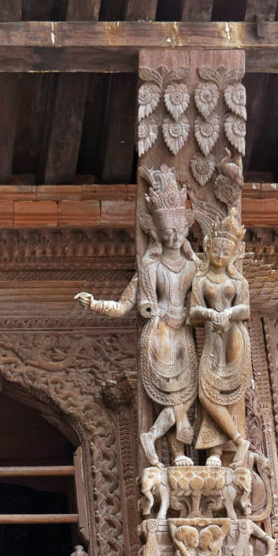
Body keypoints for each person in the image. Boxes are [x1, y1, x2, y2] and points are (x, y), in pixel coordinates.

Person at [76, 165, 197, 467]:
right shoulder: (150, 269)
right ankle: (175, 450)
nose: (172, 236)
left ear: (185, 230)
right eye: (167, 231)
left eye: (178, 231)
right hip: (160, 334)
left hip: (184, 334)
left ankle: (162, 441)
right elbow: (122, 306)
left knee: (186, 395)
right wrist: (94, 304)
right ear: (156, 232)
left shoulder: (194, 267)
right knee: (172, 396)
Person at [190, 207, 251, 467]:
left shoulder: (239, 282)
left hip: (234, 337)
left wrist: (229, 312)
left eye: (226, 252)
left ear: (235, 254)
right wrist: (206, 312)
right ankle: (236, 442)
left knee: (232, 394)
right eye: (215, 250)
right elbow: (192, 314)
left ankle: (219, 452)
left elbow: (246, 309)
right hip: (213, 340)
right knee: (207, 396)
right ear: (207, 247)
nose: (219, 255)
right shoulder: (201, 280)